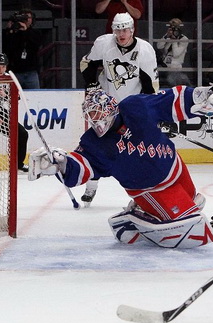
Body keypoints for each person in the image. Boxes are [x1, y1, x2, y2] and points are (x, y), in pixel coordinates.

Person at [28, 83, 213, 248]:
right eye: (91, 117)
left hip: (175, 167)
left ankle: (146, 214)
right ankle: (133, 219)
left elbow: (173, 101)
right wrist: (59, 165)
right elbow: (80, 168)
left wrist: (207, 95)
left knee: (197, 202)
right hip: (149, 190)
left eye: (99, 115)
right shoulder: (93, 142)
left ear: (111, 109)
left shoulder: (135, 106)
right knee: (193, 225)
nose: (96, 122)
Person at [79, 12, 159, 207]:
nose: (121, 34)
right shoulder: (104, 44)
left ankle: (142, 195)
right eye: (117, 29)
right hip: (106, 106)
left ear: (132, 29)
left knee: (138, 151)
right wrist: (91, 85)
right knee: (96, 147)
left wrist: (150, 112)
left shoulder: (145, 50)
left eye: (124, 29)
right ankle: (91, 186)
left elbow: (151, 86)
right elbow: (86, 64)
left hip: (132, 107)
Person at [4, 9, 42, 89]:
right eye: (23, 17)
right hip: (15, 72)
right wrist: (9, 30)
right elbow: (8, 47)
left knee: (34, 96)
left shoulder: (36, 33)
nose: (26, 20)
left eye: (28, 17)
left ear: (32, 20)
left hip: (31, 72)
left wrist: (25, 31)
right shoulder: (14, 32)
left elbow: (36, 45)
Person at [156, 18, 190, 87]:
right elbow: (159, 46)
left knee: (170, 79)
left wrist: (174, 41)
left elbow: (176, 54)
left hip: (175, 67)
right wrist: (166, 37)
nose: (173, 31)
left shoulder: (184, 39)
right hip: (164, 66)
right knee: (153, 74)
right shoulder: (168, 36)